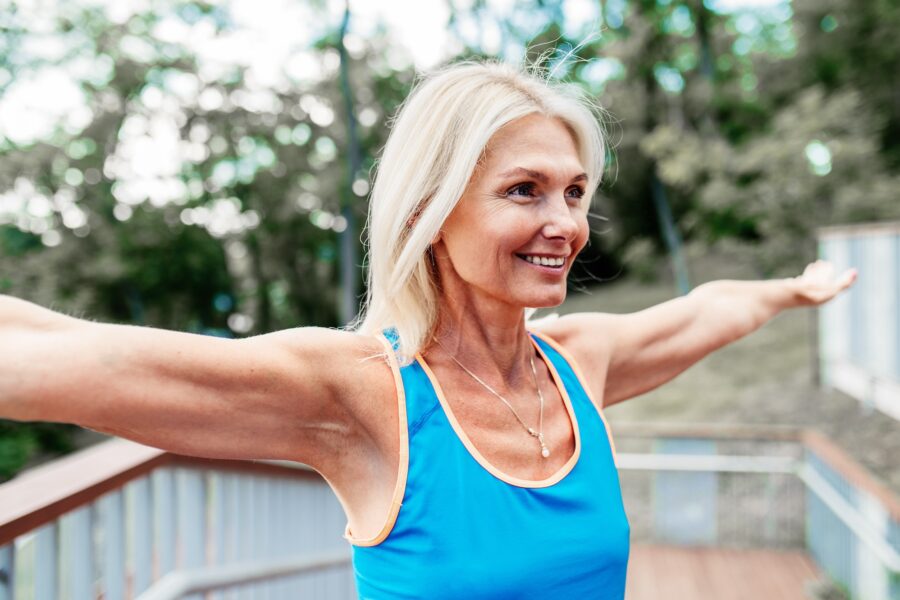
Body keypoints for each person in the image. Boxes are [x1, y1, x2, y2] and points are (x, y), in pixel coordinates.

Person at [1, 59, 857, 599]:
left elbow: (706, 310)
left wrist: (790, 289)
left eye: (573, 192)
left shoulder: (578, 364)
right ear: (432, 211)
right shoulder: (360, 394)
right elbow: (61, 362)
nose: (564, 221)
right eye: (524, 191)